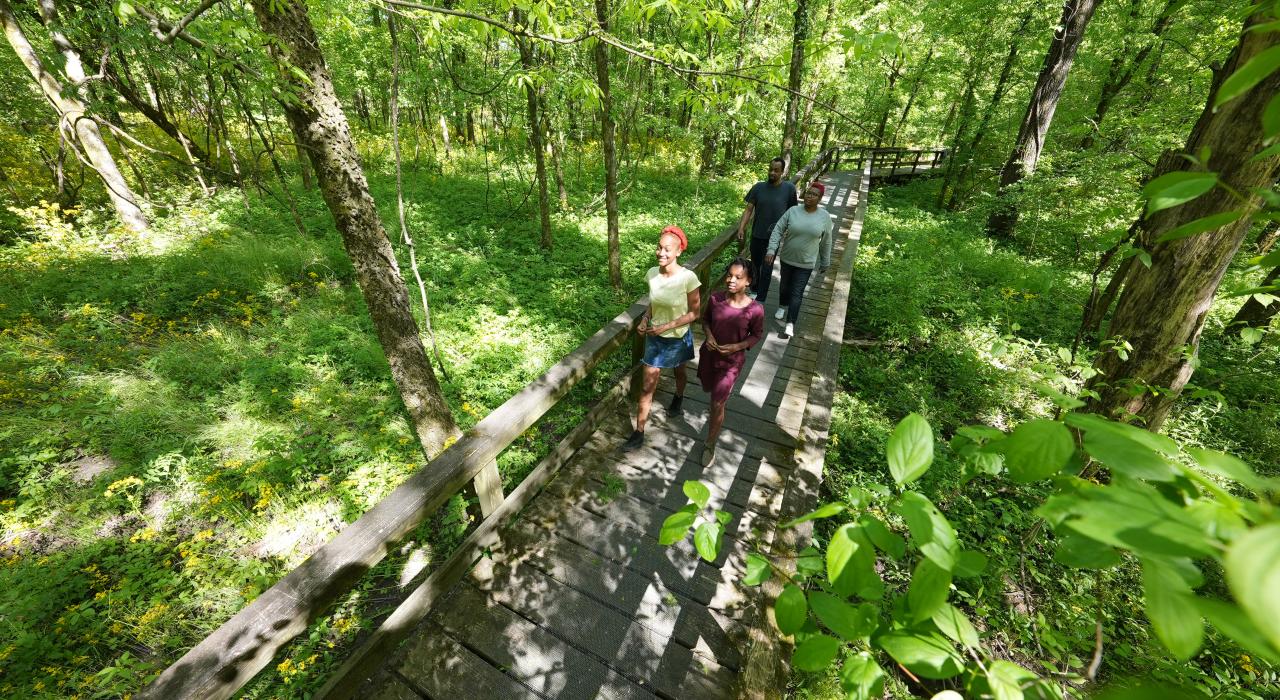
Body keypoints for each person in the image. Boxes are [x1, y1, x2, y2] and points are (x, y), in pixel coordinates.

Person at [622, 225, 702, 451]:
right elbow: (654, 303)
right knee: (647, 388)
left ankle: (678, 396)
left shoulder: (688, 278)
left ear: (678, 252)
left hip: (677, 338)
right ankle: (639, 432)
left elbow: (695, 313)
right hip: (655, 339)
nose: (661, 253)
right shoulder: (652, 274)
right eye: (659, 247)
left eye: (667, 249)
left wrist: (666, 325)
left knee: (679, 372)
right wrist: (646, 319)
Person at [697, 257, 764, 464]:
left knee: (718, 402)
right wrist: (708, 336)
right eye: (729, 275)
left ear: (748, 281)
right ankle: (716, 405)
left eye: (738, 277)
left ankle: (710, 443)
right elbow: (706, 320)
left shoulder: (755, 310)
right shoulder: (716, 299)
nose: (731, 280)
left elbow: (756, 335)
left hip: (731, 363)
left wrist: (736, 346)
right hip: (709, 356)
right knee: (709, 391)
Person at [765, 181, 833, 340]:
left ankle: (790, 324)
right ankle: (782, 305)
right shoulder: (793, 211)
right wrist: (771, 249)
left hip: (806, 263)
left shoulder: (824, 217)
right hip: (788, 259)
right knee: (784, 287)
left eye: (814, 194)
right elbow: (777, 230)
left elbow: (827, 241)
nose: (810, 196)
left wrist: (825, 261)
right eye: (809, 193)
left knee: (797, 293)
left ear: (820, 198)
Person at [735, 157, 798, 302]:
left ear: (783, 172)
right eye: (771, 169)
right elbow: (749, 209)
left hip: (774, 237)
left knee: (767, 267)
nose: (772, 173)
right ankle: (755, 290)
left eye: (776, 170)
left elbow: (793, 212)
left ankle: (761, 298)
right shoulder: (758, 187)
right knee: (755, 265)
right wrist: (741, 228)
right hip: (757, 234)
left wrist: (789, 231)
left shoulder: (789, 189)